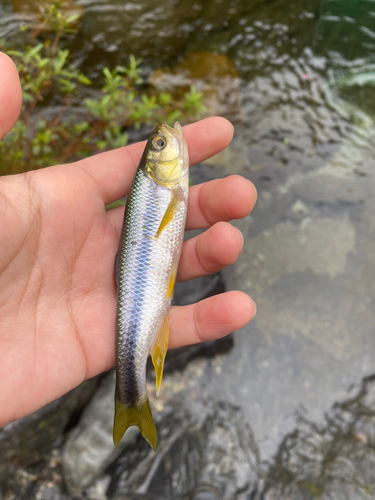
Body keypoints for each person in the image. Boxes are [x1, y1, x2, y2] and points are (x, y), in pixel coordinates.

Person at [0, 52, 257, 428]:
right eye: (160, 146)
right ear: (157, 166)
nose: (167, 139)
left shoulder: (163, 186)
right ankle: (131, 396)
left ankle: (131, 395)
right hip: (143, 286)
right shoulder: (163, 186)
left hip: (143, 284)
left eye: (159, 145)